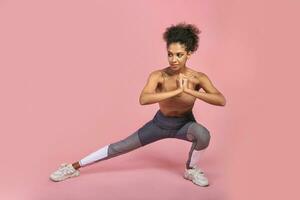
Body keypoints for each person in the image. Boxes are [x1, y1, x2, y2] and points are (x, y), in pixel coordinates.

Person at [49, 22, 226, 187]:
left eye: (179, 55)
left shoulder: (198, 78)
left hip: (184, 125)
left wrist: (190, 92)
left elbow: (220, 100)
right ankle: (72, 167)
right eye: (170, 54)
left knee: (203, 134)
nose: (173, 59)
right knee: (120, 146)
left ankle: (191, 169)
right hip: (159, 124)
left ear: (189, 53)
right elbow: (144, 99)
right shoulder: (159, 76)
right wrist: (176, 92)